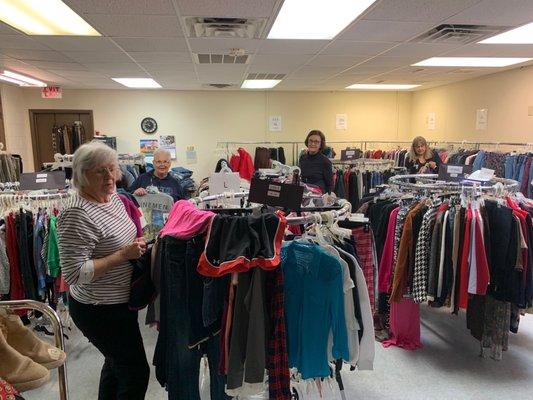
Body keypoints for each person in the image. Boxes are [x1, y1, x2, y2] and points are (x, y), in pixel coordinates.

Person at [57, 141, 150, 399]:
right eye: (100, 171)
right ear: (82, 175)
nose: (109, 176)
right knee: (135, 372)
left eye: (112, 169)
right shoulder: (76, 213)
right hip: (98, 309)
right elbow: (74, 273)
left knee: (115, 365)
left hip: (121, 303)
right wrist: (122, 255)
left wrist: (137, 245)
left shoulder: (115, 200)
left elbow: (124, 236)